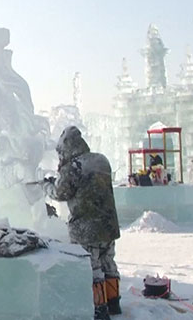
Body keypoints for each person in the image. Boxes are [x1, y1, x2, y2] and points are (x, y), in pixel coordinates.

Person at [43, 126, 122, 319]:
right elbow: (89, 183)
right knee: (108, 263)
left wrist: (47, 185)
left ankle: (99, 309)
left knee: (93, 269)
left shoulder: (73, 167)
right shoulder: (101, 160)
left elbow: (61, 193)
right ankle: (114, 303)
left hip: (87, 229)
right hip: (109, 226)